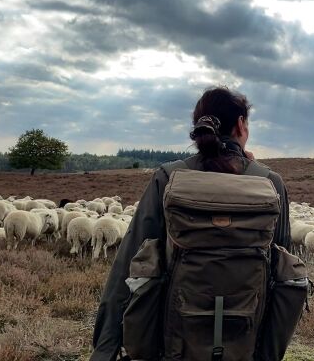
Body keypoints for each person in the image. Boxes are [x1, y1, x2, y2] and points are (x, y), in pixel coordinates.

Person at [90, 86, 292, 360]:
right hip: (246, 343)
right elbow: (282, 271)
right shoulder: (270, 184)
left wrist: (105, 349)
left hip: (171, 344)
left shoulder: (168, 177)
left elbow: (127, 265)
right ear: (241, 125)